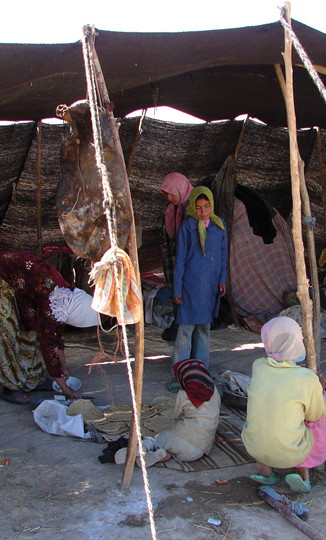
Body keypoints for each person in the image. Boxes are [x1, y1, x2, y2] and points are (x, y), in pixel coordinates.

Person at [0, 250, 100, 404]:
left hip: (15, 280)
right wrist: (65, 388)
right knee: (6, 332)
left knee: (30, 333)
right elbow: (48, 348)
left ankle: (34, 378)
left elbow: (58, 336)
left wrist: (64, 367)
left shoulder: (65, 300)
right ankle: (11, 386)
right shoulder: (51, 307)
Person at [241, 317, 326, 493]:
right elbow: (315, 414)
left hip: (254, 446)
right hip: (290, 451)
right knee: (324, 405)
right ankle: (302, 473)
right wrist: (317, 387)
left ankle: (265, 472)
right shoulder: (306, 378)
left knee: (268, 420)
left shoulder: (258, 366)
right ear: (296, 341)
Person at [169, 186, 228, 391]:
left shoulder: (220, 226)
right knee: (185, 330)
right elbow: (181, 260)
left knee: (204, 330)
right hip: (189, 286)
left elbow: (223, 255)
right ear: (193, 208)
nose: (203, 211)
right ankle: (178, 376)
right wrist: (177, 289)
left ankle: (201, 371)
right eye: (198, 207)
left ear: (212, 205)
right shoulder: (187, 227)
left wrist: (222, 280)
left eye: (207, 206)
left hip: (210, 287)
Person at [115, 358, 221, 467]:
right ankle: (163, 455)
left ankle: (142, 448)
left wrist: (172, 430)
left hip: (182, 439)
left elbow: (177, 416)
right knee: (174, 448)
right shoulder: (215, 391)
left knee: (156, 439)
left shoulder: (184, 394)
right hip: (200, 450)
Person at [159, 172, 194, 342]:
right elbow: (165, 234)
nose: (168, 197)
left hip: (188, 259)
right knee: (175, 291)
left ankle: (184, 324)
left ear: (179, 188)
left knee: (187, 291)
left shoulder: (193, 208)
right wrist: (166, 250)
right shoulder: (171, 209)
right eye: (165, 194)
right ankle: (178, 321)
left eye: (170, 192)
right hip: (173, 258)